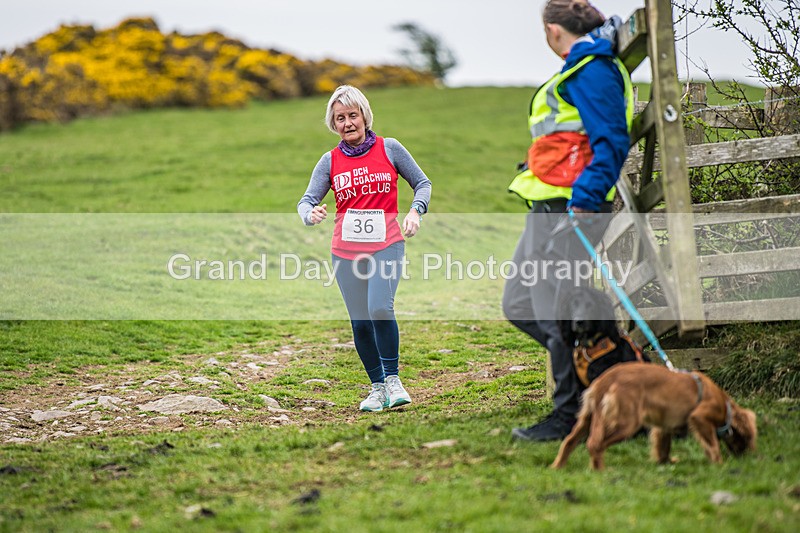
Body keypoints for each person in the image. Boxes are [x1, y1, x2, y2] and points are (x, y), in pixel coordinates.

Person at [503, 0, 635, 441]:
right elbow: (568, 140)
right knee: (520, 303)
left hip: (571, 209)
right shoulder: (576, 68)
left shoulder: (593, 68)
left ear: (553, 30)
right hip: (548, 208)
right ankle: (609, 378)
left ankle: (571, 413)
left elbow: (612, 139)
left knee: (554, 310)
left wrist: (586, 198)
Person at [297, 85, 432, 412]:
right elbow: (306, 201)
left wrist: (416, 211)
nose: (347, 123)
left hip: (386, 243)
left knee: (380, 309)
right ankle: (376, 389)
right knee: (359, 321)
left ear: (365, 116)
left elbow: (423, 184)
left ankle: (393, 380)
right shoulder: (329, 161)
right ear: (334, 123)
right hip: (345, 250)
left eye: (352, 115)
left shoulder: (391, 149)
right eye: (339, 118)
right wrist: (310, 214)